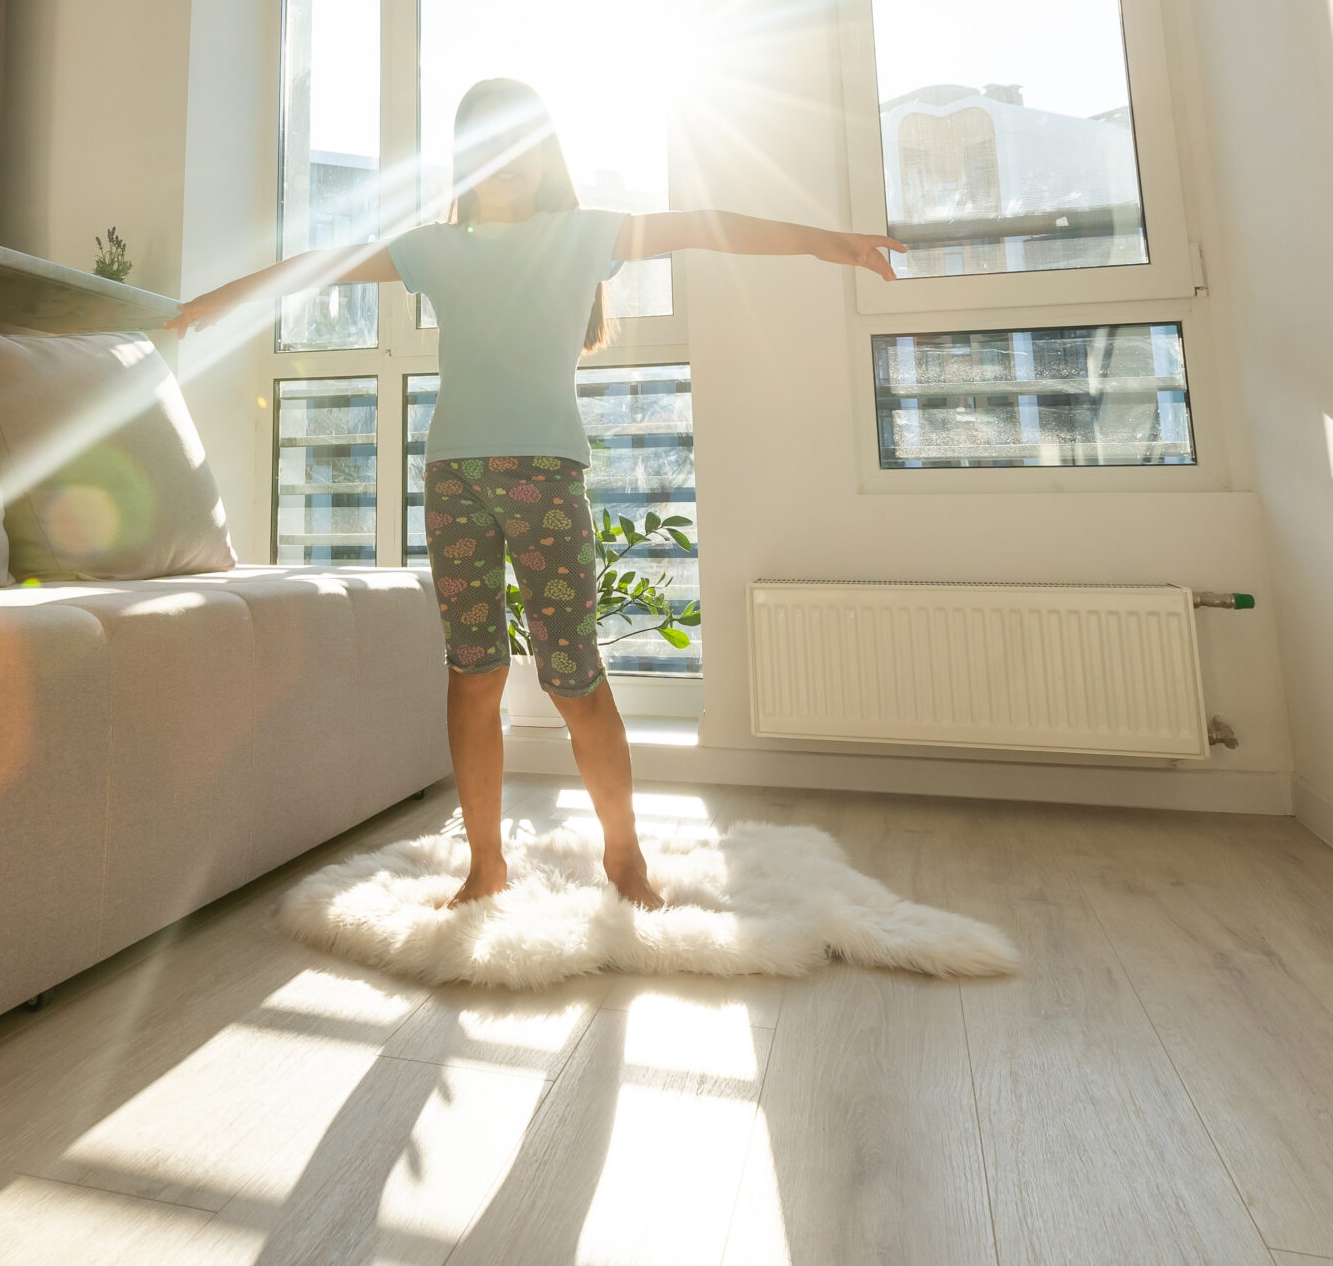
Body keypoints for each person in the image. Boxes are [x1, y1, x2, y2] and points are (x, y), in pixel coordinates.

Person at [168, 78, 904, 909]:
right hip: (454, 482)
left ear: (544, 155)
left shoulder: (582, 235)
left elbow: (708, 227)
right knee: (472, 675)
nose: (503, 162)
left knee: (572, 676)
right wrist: (208, 303)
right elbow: (318, 265)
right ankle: (485, 864)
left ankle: (624, 858)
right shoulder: (433, 249)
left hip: (545, 480)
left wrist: (827, 242)